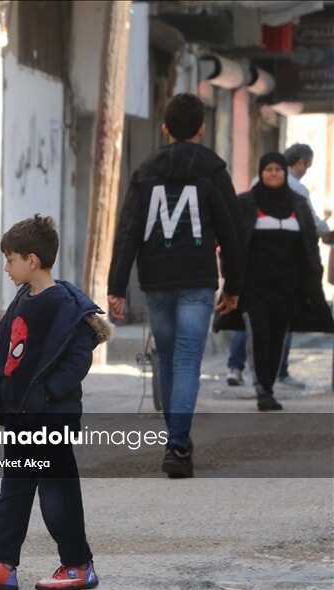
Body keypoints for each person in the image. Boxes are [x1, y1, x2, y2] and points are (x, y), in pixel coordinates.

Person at [0, 214, 110, 590]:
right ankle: (2, 565)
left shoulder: (64, 304)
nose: (7, 268)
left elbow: (78, 356)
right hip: (22, 418)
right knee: (13, 492)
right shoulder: (24, 299)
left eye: (10, 260)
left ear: (32, 259)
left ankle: (78, 565)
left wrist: (47, 394)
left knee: (58, 493)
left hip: (50, 418)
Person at [107, 93, 242, 479]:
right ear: (201, 129)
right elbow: (232, 236)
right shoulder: (214, 172)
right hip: (197, 280)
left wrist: (118, 285)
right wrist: (233, 285)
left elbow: (129, 231)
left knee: (167, 359)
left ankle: (177, 442)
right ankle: (178, 445)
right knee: (186, 361)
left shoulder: (146, 171)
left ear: (165, 129)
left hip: (157, 280)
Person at [214, 152, 334, 411]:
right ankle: (263, 390)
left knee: (277, 337)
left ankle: (268, 384)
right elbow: (231, 244)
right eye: (268, 169)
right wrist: (231, 279)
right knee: (259, 333)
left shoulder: (298, 204)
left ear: (284, 173)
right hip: (253, 287)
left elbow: (309, 245)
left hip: (289, 288)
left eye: (277, 169)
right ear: (261, 172)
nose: (273, 173)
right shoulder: (246, 203)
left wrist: (314, 279)